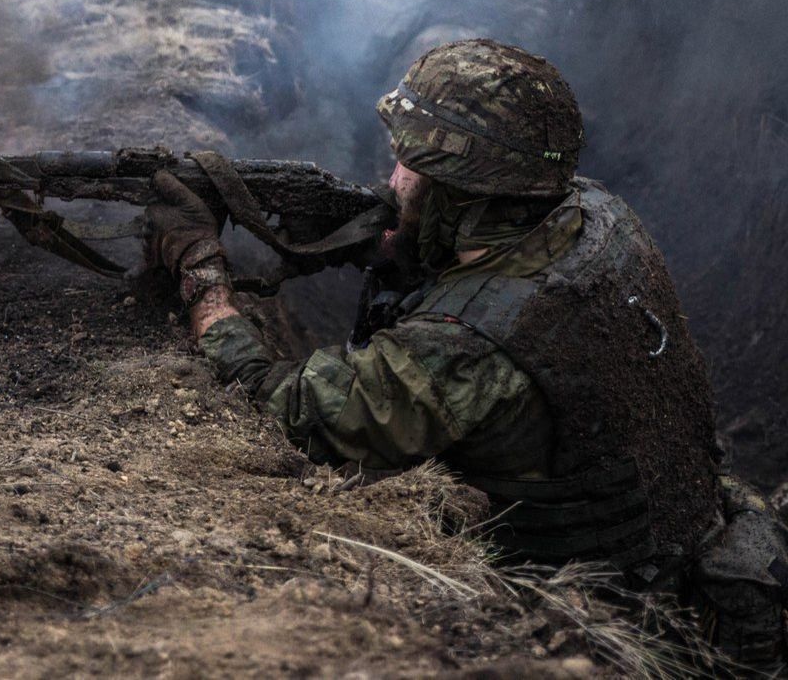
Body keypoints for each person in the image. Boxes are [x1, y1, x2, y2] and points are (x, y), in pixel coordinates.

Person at [145, 39, 788, 672]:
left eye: (408, 167)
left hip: (603, 624)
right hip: (697, 551)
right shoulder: (594, 212)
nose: (392, 179)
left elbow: (288, 408)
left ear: (462, 194)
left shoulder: (465, 349)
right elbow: (461, 250)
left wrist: (202, 273)